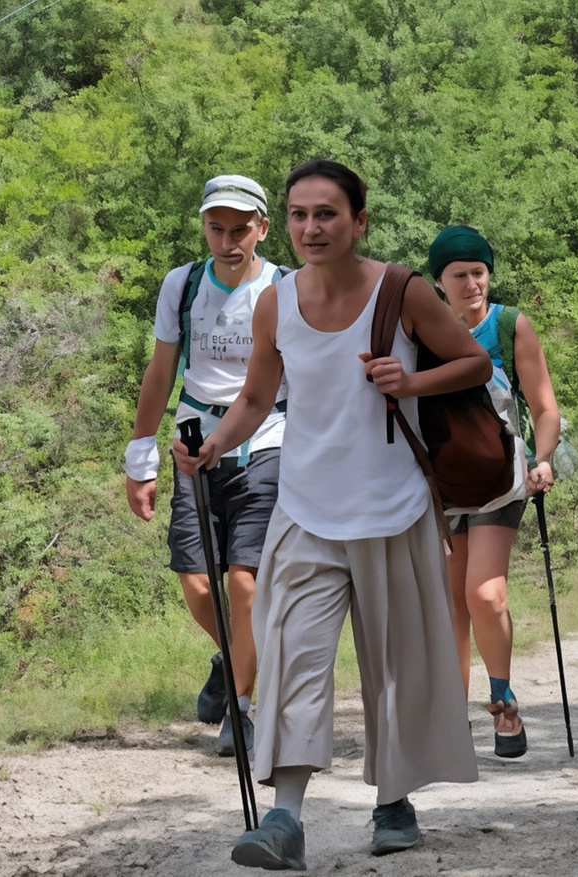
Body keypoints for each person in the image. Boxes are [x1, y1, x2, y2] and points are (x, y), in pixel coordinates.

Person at [174, 159, 486, 868]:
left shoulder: (401, 290)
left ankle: (393, 798)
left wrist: (410, 380)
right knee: (293, 660)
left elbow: (471, 363)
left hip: (392, 506)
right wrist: (212, 446)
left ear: (359, 221)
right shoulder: (275, 302)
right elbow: (255, 399)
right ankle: (285, 819)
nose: (311, 227)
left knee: (394, 666)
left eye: (327, 214)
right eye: (298, 214)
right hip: (307, 509)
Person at [124, 174, 284, 758]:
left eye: (240, 229)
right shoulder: (183, 284)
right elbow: (162, 370)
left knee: (244, 580)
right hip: (193, 441)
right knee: (196, 582)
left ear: (262, 228)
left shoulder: (283, 288)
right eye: (216, 229)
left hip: (269, 437)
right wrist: (139, 459)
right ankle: (236, 654)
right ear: (204, 229)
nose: (228, 241)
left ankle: (239, 709)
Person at [427, 225, 562, 760]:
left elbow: (545, 406)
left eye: (478, 273)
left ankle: (502, 699)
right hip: (438, 484)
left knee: (484, 594)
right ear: (439, 281)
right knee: (450, 606)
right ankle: (449, 719)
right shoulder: (419, 330)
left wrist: (544, 458)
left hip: (500, 479)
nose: (471, 284)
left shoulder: (510, 326)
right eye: (459, 275)